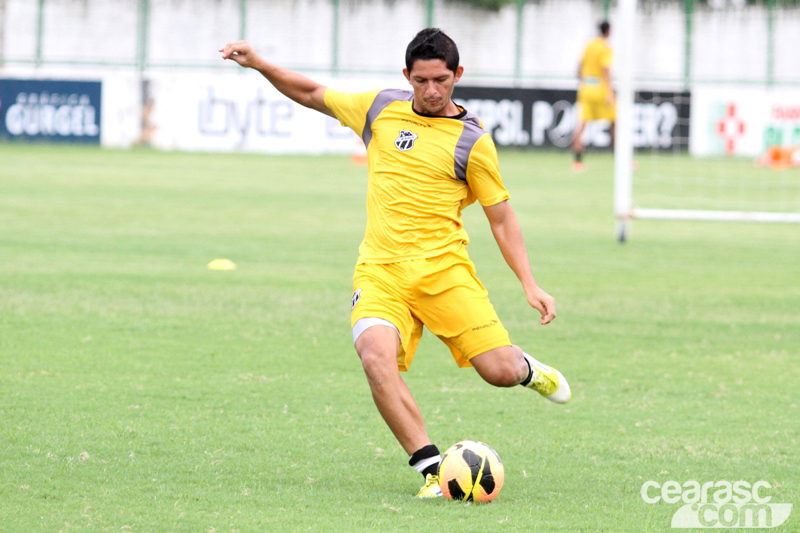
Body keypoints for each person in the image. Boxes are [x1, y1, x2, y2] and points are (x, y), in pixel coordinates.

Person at [219, 28, 571, 499]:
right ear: (407, 76)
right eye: (421, 80)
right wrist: (260, 64)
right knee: (376, 360)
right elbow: (310, 93)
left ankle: (526, 368)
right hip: (380, 271)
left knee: (498, 372)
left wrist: (530, 284)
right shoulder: (380, 107)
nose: (431, 90)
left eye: (441, 80)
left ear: (457, 76)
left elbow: (502, 219)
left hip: (445, 273)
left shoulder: (473, 143)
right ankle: (431, 470)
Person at [573, 20, 615, 172]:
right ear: (608, 31)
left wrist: (582, 81)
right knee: (614, 122)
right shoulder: (605, 47)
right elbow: (606, 69)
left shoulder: (589, 44)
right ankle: (619, 160)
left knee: (581, 125)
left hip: (585, 88)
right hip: (600, 89)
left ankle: (577, 162)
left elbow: (579, 66)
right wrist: (610, 91)